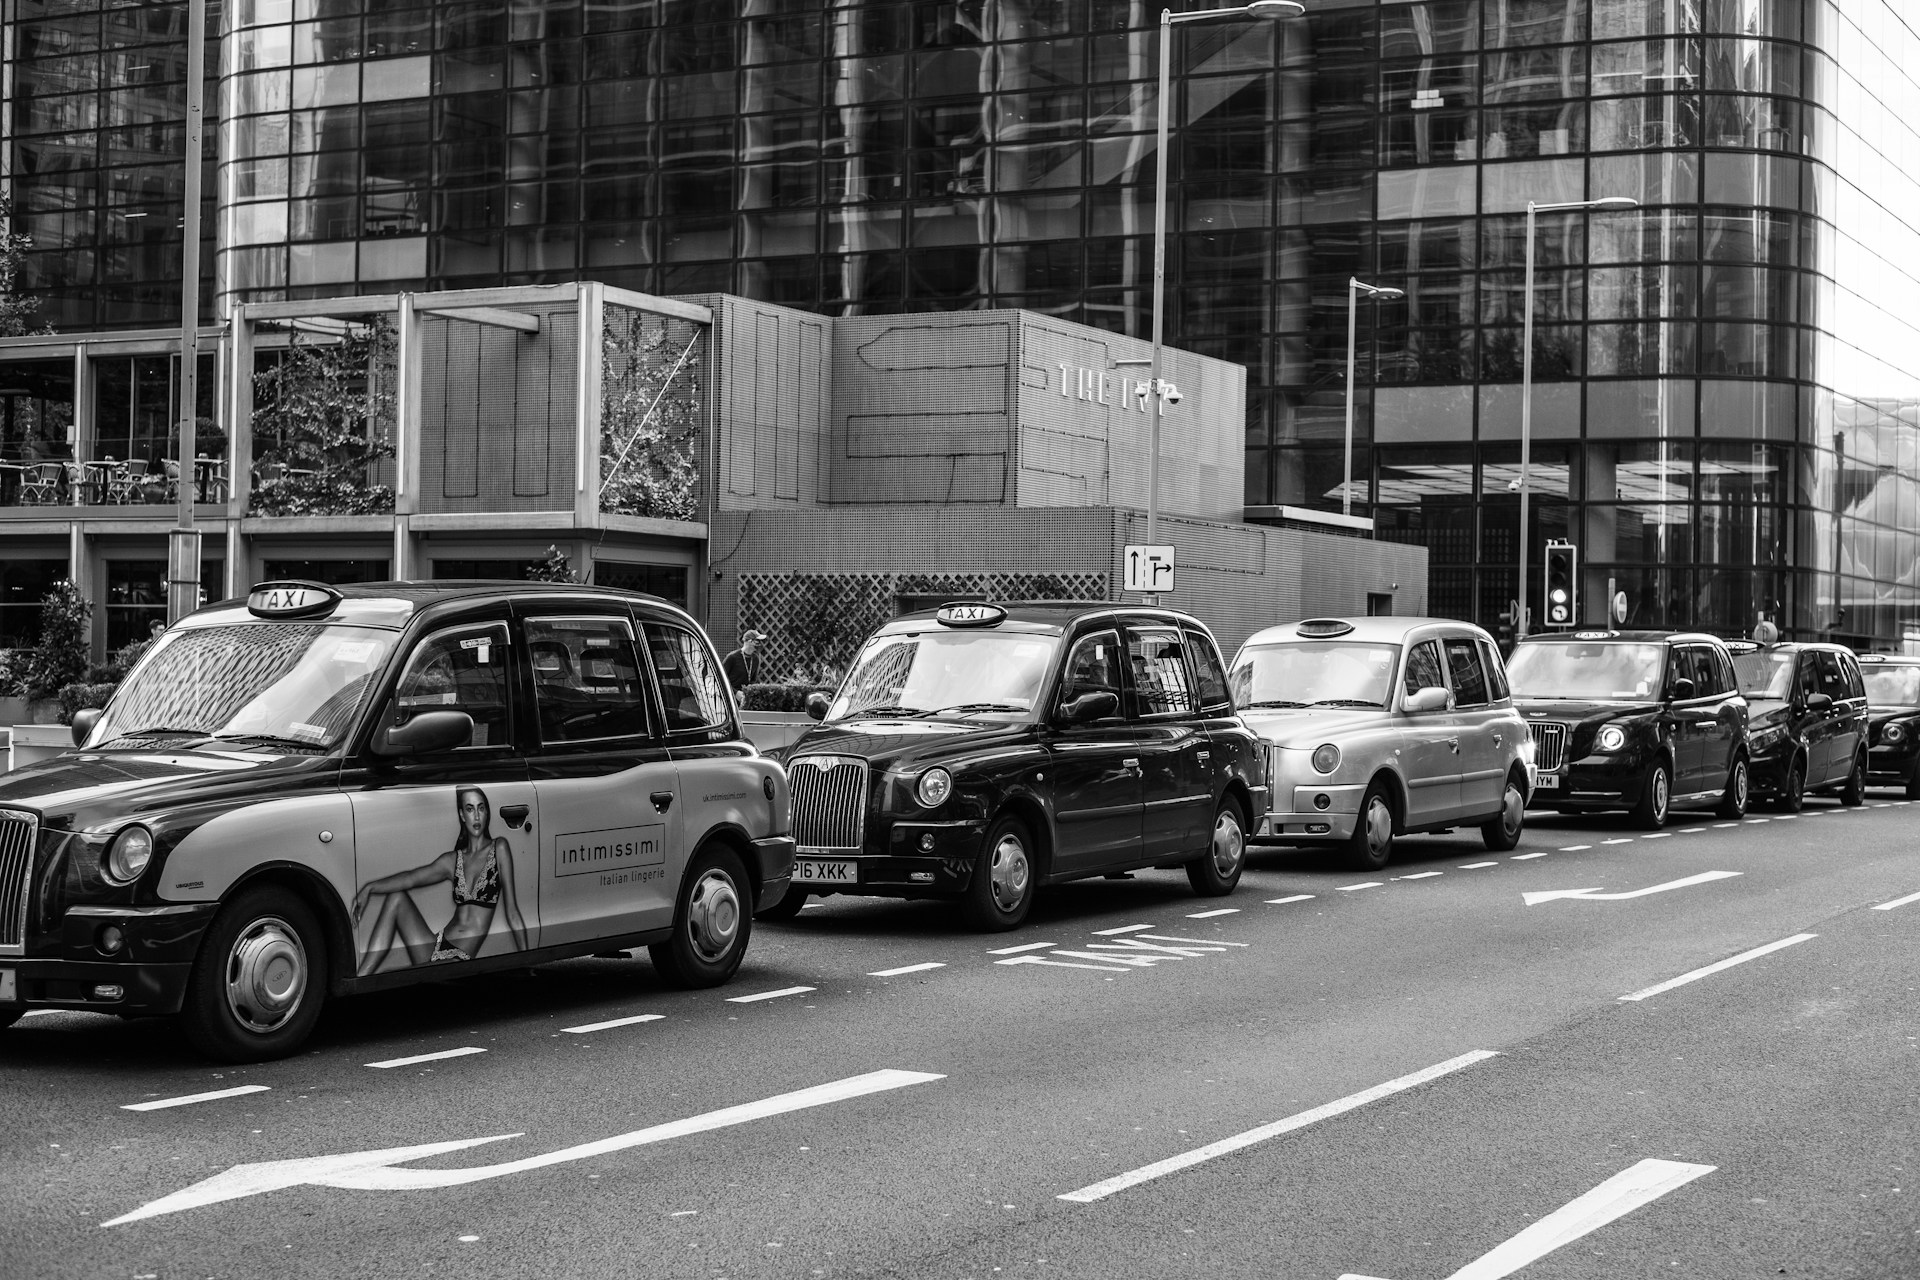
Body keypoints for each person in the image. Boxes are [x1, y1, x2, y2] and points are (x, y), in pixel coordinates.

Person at [353, 786, 529, 976]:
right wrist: (369, 888)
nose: (476, 816)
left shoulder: (498, 848)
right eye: (470, 809)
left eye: (481, 808)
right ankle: (362, 975)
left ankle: (363, 981)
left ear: (487, 812)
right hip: (435, 945)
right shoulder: (452, 860)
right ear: (462, 815)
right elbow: (411, 878)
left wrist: (527, 961)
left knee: (391, 976)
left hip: (460, 956)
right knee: (396, 898)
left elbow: (512, 913)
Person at [723, 628, 768, 698]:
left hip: (745, 697)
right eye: (757, 641)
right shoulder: (732, 657)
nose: (759, 644)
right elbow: (721, 679)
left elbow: (753, 680)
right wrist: (735, 692)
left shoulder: (756, 659)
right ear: (749, 641)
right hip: (728, 697)